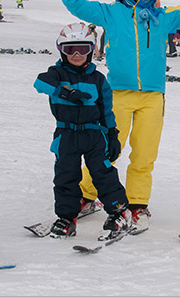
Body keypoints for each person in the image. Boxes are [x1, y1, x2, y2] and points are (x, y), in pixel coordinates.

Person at [54, 0, 180, 231]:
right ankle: (87, 195)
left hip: (153, 96)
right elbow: (75, 4)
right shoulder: (111, 13)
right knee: (106, 150)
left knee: (144, 153)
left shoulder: (162, 17)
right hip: (117, 93)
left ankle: (137, 204)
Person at [33, 23, 130, 240]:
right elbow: (40, 83)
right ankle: (67, 218)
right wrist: (64, 92)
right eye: (70, 50)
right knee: (65, 176)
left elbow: (106, 110)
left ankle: (118, 213)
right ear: (61, 51)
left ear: (91, 50)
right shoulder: (56, 73)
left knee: (103, 174)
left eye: (83, 49)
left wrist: (112, 134)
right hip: (66, 135)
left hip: (94, 135)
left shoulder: (98, 80)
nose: (76, 55)